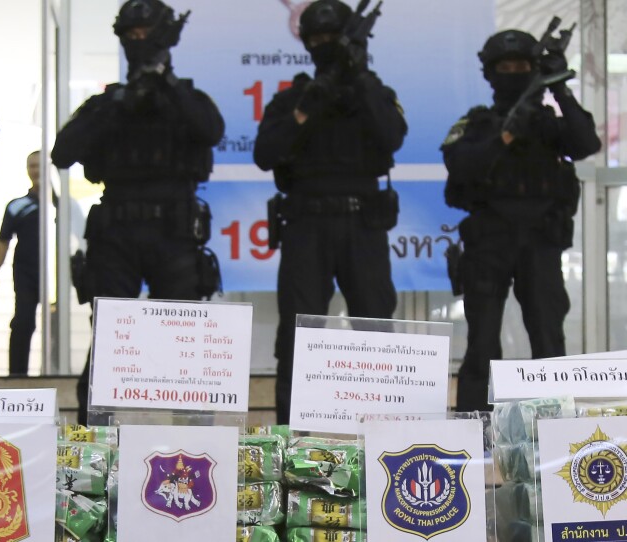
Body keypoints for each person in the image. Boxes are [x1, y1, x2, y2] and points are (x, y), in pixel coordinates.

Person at [51, 0, 225, 424]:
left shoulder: (188, 98)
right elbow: (63, 152)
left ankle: (196, 438)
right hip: (117, 232)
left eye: (148, 34)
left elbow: (211, 130)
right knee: (110, 339)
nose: (140, 42)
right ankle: (92, 439)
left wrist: (166, 86)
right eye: (133, 35)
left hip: (176, 231)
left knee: (185, 340)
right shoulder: (108, 101)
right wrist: (120, 101)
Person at [253, 0, 407, 424]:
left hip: (363, 225)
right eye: (315, 39)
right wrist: (306, 108)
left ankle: (388, 436)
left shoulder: (374, 93)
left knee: (376, 332)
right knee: (298, 337)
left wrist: (359, 79)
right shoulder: (291, 100)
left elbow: (392, 137)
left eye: (330, 39)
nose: (323, 45)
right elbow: (265, 154)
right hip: (306, 226)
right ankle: (289, 437)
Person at [442, 29, 601, 411]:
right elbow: (459, 164)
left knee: (548, 342)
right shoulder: (477, 123)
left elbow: (586, 144)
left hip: (541, 242)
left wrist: (560, 88)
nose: (514, 72)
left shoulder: (549, 123)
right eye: (505, 67)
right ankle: (472, 433)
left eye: (523, 67)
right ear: (491, 73)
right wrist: (506, 136)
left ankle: (555, 435)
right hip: (488, 243)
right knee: (481, 345)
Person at [0, 150, 44, 376]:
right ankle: (17, 374)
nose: (36, 170)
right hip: (25, 270)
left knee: (60, 326)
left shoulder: (64, 206)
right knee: (23, 321)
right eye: (32, 165)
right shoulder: (17, 206)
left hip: (57, 275)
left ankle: (60, 369)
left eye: (41, 165)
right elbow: (3, 241)